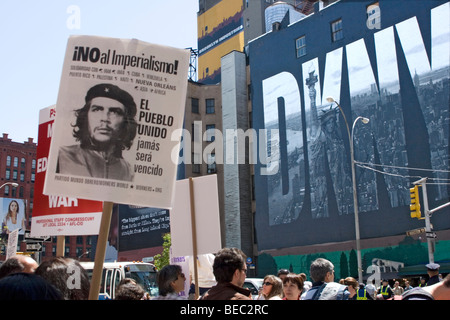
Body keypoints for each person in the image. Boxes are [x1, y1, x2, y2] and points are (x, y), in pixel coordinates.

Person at [56, 83, 137, 181]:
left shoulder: (128, 171)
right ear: (86, 116)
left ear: (125, 123)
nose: (104, 118)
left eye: (114, 112)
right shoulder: (61, 156)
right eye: (97, 109)